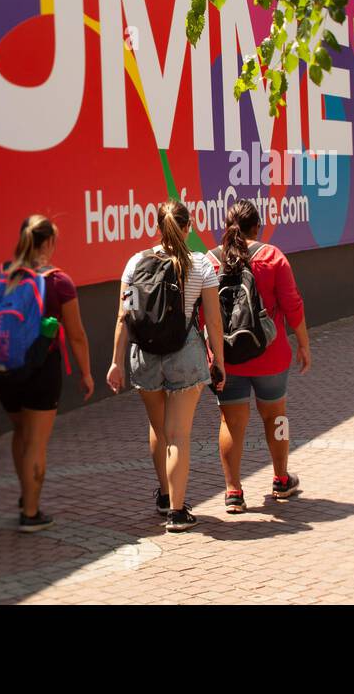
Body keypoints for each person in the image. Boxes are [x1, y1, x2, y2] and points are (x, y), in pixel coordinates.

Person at [105, 200, 226, 532]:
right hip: (184, 355)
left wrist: (116, 362)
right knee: (179, 435)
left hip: (143, 356)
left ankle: (163, 496)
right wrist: (220, 361)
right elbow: (213, 321)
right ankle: (177, 511)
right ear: (188, 228)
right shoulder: (200, 266)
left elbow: (123, 315)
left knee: (159, 429)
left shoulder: (134, 263)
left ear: (157, 227)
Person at [0, 215, 94, 533]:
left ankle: (27, 493)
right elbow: (76, 334)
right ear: (49, 243)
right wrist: (86, 373)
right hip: (40, 368)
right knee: (36, 441)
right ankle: (31, 512)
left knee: (21, 432)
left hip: (1, 370)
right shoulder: (58, 281)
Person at [206, 200, 310, 512]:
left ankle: (234, 491)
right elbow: (292, 305)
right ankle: (280, 478)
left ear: (226, 227)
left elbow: (202, 315)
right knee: (277, 416)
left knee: (231, 421)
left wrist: (211, 355)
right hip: (271, 353)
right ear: (257, 227)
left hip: (227, 357)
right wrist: (304, 343)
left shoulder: (209, 261)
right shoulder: (272, 256)